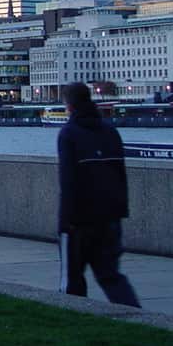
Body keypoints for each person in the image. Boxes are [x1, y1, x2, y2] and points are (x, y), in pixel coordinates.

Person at [56, 82, 140, 307]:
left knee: (72, 281)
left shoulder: (69, 134)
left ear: (69, 105)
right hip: (111, 217)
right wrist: (120, 211)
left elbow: (68, 181)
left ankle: (73, 322)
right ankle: (140, 319)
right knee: (111, 276)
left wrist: (65, 223)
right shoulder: (111, 131)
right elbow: (120, 175)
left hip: (79, 221)